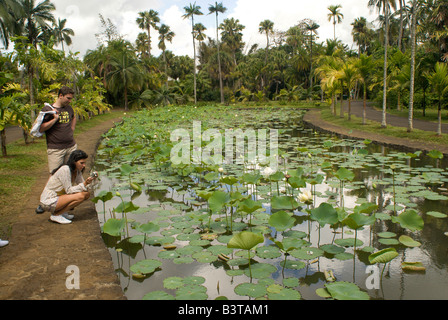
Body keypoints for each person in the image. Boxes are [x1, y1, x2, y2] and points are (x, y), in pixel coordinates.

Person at [36, 86, 77, 214]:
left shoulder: (69, 109)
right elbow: (41, 128)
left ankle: (65, 198)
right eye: (68, 98)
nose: (69, 101)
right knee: (54, 175)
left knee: (71, 171)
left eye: (71, 99)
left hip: (71, 145)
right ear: (60, 95)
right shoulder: (48, 110)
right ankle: (44, 202)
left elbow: (73, 117)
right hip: (55, 148)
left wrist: (71, 129)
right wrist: (54, 119)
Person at [39, 149, 96, 224]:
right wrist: (85, 184)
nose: (84, 165)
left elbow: (85, 188)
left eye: (84, 163)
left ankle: (61, 212)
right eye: (81, 163)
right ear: (74, 162)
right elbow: (69, 190)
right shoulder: (65, 169)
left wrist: (92, 180)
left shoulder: (77, 171)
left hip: (59, 197)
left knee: (86, 194)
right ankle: (56, 215)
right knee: (81, 196)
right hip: (49, 200)